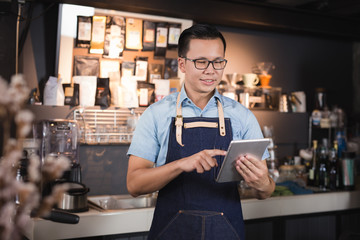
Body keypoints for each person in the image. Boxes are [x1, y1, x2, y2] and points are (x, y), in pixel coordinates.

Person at [127, 23, 275, 240]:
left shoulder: (243, 117)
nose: (211, 70)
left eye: (218, 62)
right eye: (201, 62)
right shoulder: (156, 114)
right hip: (172, 232)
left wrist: (262, 183)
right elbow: (134, 185)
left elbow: (267, 191)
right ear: (182, 64)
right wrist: (181, 164)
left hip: (226, 232)